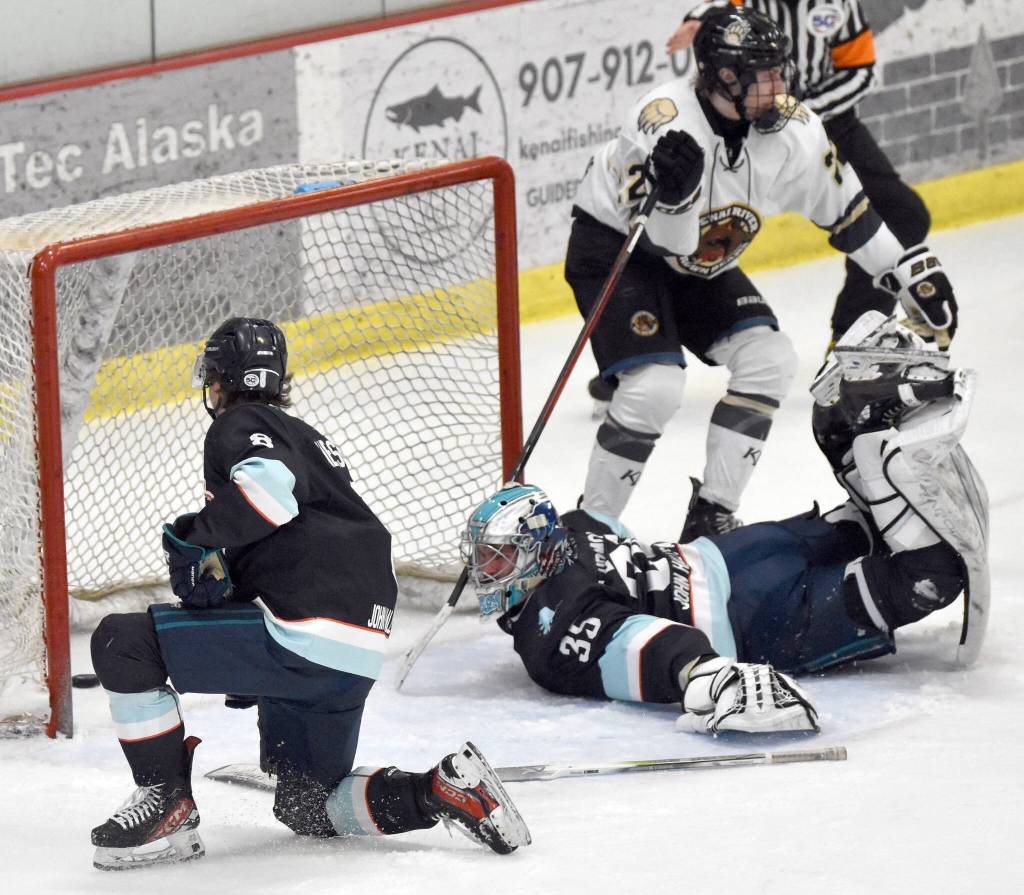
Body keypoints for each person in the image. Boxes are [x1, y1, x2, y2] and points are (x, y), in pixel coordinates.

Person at [88, 317, 530, 870]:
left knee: (121, 643)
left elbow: (270, 496)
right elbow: (303, 540)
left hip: (302, 631)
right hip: (360, 645)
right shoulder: (311, 439)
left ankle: (165, 801)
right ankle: (439, 791)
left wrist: (192, 536)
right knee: (308, 805)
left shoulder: (240, 422)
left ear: (218, 379)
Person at [463, 314, 987, 731]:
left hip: (757, 616)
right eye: (485, 558)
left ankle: (871, 445)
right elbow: (614, 538)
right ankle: (856, 430)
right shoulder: (575, 527)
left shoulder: (548, 632)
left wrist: (710, 678)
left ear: (538, 546)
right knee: (869, 529)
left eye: (499, 555)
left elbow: (643, 644)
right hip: (740, 555)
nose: (489, 573)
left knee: (928, 575)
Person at [567, 5, 957, 540]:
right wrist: (677, 198)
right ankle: (592, 530)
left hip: (700, 259)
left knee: (770, 360)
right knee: (655, 387)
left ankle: (711, 514)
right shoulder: (662, 123)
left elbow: (849, 212)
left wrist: (909, 271)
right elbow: (664, 242)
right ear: (722, 77)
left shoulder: (792, 129)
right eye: (764, 75)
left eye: (780, 70)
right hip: (619, 249)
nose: (779, 86)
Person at [667, 0, 932, 349]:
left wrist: (799, 115)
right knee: (681, 224)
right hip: (747, 124)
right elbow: (718, 10)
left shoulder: (838, 4)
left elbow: (860, 70)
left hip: (829, 124)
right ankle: (639, 348)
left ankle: (853, 340)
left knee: (902, 213)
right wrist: (697, 19)